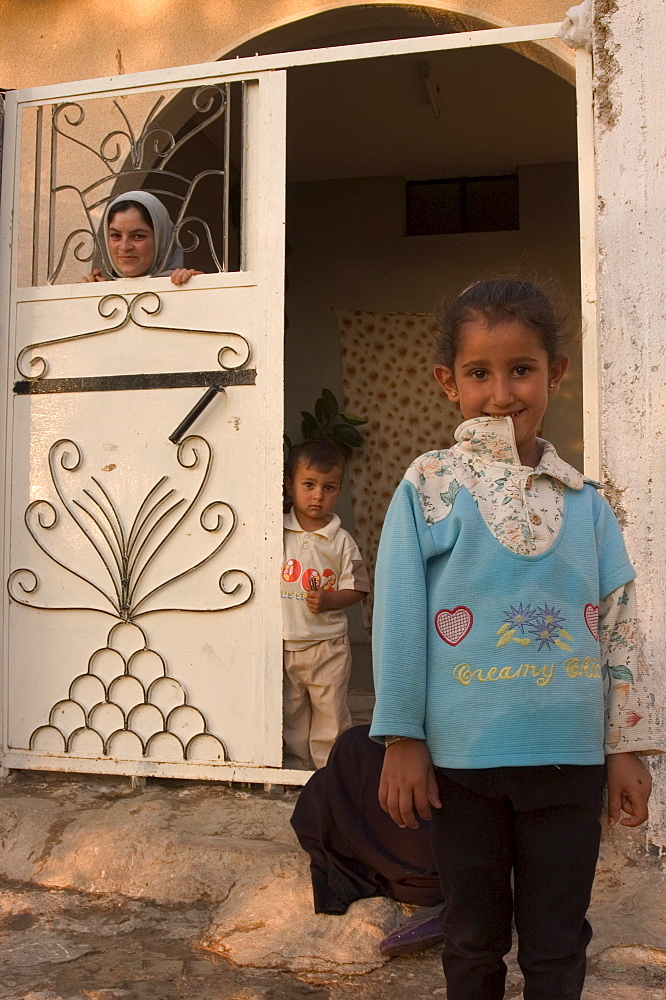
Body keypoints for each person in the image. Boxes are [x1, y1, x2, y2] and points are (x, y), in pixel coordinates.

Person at [369, 277, 661, 1000]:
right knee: (472, 940)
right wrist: (402, 736)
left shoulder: (587, 504)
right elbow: (399, 615)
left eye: (522, 369)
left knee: (559, 944)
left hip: (568, 766)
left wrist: (626, 747)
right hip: (463, 769)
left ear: (555, 374)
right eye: (479, 373)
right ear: (448, 383)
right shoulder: (428, 486)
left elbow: (618, 627)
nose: (502, 392)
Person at [282, 440, 370, 769]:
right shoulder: (276, 531)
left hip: (327, 645)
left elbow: (359, 587)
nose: (318, 496)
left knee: (330, 714)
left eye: (328, 487)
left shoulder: (341, 540)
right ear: (290, 486)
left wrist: (333, 599)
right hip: (288, 643)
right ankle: (296, 768)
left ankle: (328, 772)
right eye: (309, 485)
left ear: (339, 490)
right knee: (292, 714)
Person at [80, 190, 202, 286]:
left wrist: (199, 288)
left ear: (162, 240)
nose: (124, 247)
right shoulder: (101, 294)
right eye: (116, 236)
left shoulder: (185, 287)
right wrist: (88, 300)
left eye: (138, 236)